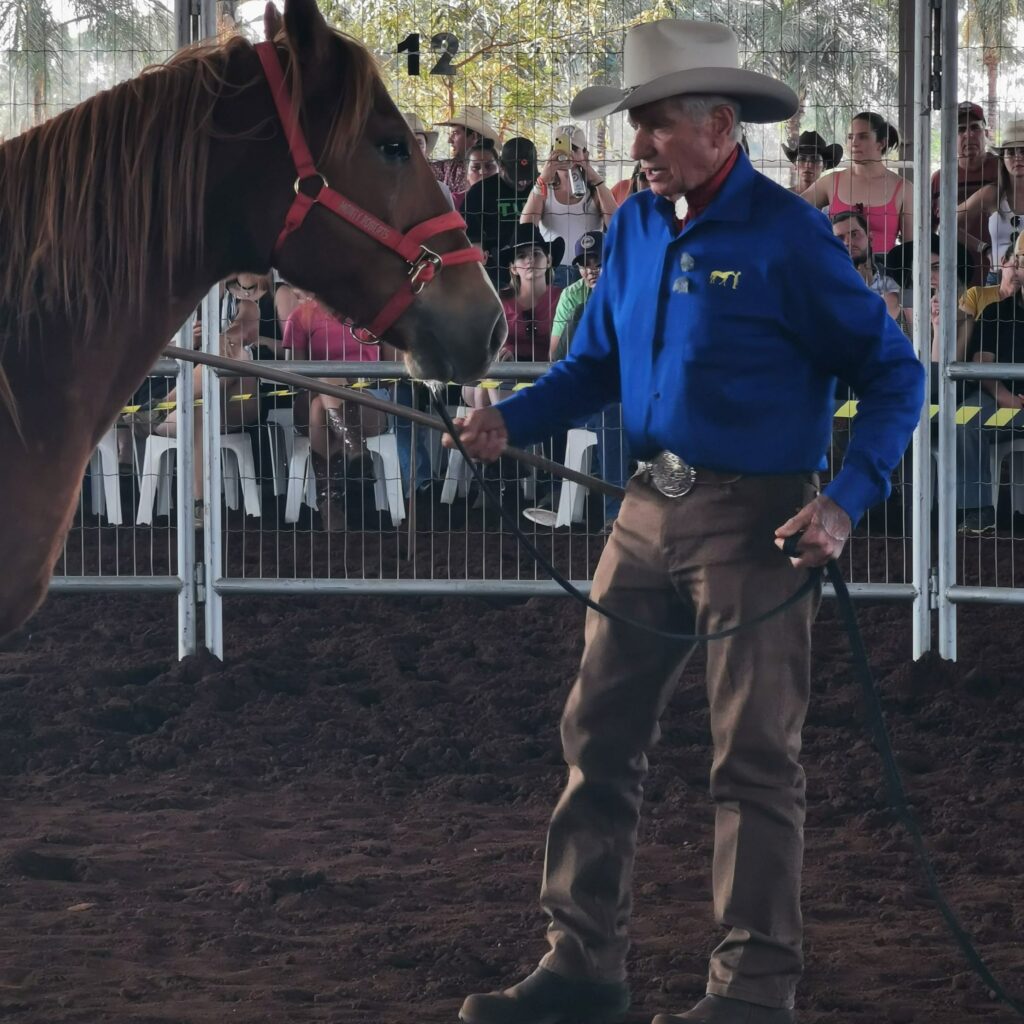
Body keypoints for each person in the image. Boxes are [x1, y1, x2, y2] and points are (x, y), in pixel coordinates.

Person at [447, 19, 923, 1024]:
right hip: (646, 504)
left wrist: (844, 502)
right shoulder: (632, 226)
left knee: (752, 754)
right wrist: (507, 417)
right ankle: (581, 965)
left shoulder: (790, 234)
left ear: (720, 125)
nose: (639, 145)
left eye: (655, 126)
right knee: (596, 731)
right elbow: (594, 367)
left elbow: (893, 373)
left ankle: (750, 995)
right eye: (637, 127)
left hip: (759, 519)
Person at [281, 290, 386, 526]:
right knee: (324, 387)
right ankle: (353, 446)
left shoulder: (376, 311)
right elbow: (294, 375)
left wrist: (348, 383)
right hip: (310, 395)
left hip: (367, 396)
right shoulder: (301, 316)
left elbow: (394, 369)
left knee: (321, 404)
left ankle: (329, 500)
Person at [955, 230, 1024, 535]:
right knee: (963, 419)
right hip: (1001, 399)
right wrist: (1006, 395)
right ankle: (978, 510)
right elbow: (981, 363)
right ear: (1016, 267)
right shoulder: (996, 310)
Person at [462, 225, 563, 410]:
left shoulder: (562, 297)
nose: (529, 259)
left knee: (488, 383)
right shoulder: (499, 299)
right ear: (513, 268)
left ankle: (498, 426)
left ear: (548, 260)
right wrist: (502, 350)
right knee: (486, 378)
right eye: (522, 256)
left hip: (548, 373)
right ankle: (498, 428)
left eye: (536, 253)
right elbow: (483, 343)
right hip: (504, 374)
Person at [519, 124, 618, 286]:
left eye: (573, 149)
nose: (567, 154)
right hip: (554, 267)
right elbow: (526, 227)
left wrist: (594, 177)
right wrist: (543, 179)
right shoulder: (544, 188)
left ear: (584, 153)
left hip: (589, 269)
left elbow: (616, 225)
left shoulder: (594, 188)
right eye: (560, 148)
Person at [801, 110, 912, 255]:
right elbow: (792, 208)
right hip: (839, 271)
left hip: (884, 273)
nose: (854, 143)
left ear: (882, 143)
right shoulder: (831, 181)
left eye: (863, 137)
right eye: (850, 137)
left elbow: (911, 248)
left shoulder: (904, 189)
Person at [463, 136, 540, 288]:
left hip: (537, 268)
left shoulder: (543, 185)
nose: (523, 182)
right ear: (501, 166)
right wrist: (477, 246)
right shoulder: (480, 192)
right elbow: (468, 230)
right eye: (516, 177)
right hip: (495, 272)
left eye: (527, 177)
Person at [956, 118, 1024, 282]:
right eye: (1010, 152)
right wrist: (984, 248)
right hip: (997, 279)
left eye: (1023, 151)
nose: (1018, 158)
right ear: (1002, 158)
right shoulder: (992, 194)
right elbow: (948, 224)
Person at [931, 101, 1000, 246]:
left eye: (975, 127)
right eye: (961, 129)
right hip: (955, 266)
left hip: (1006, 264)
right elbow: (929, 234)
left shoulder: (1003, 170)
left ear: (985, 133)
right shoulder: (940, 180)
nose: (969, 134)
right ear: (950, 137)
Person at [830, 210, 901, 319]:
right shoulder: (828, 284)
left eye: (854, 234)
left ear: (870, 238)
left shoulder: (890, 282)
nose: (847, 242)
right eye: (840, 238)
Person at [430, 105, 500, 202]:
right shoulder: (447, 167)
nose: (449, 140)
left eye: (455, 133)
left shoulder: (500, 172)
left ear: (473, 136)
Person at [402, 111, 455, 209]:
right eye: (406, 143)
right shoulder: (384, 191)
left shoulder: (441, 191)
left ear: (426, 148)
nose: (414, 149)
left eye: (419, 143)